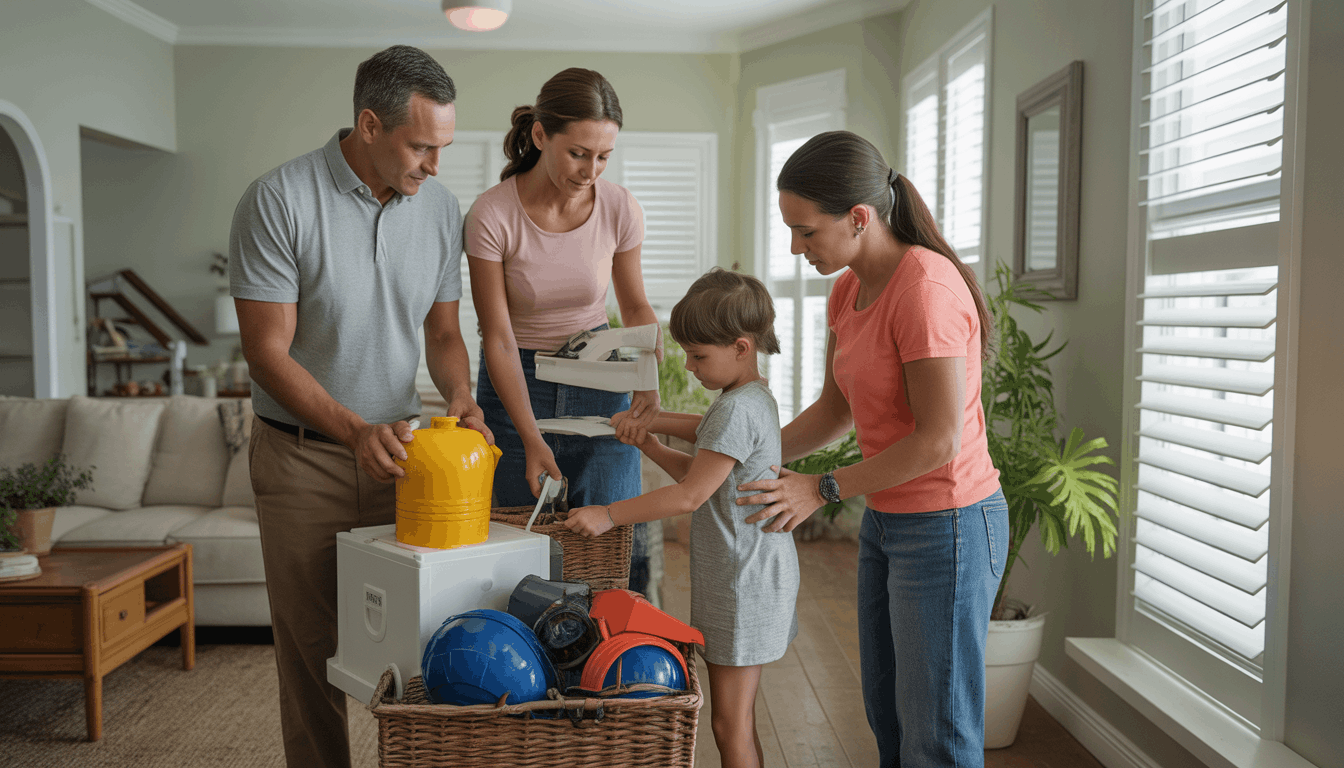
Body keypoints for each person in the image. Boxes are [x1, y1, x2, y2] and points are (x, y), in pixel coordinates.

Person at [229, 45, 490, 768]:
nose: (434, 165)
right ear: (369, 125)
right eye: (421, 146)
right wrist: (351, 430)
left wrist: (462, 396)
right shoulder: (278, 200)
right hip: (301, 459)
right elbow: (266, 352)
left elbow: (442, 332)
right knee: (310, 651)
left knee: (421, 639)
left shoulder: (437, 208)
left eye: (443, 147)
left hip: (405, 461)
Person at [735, 130, 1007, 767]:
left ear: (859, 218)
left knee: (935, 736)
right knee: (888, 717)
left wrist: (822, 488)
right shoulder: (849, 289)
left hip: (951, 526)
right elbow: (837, 410)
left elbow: (940, 440)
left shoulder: (925, 292)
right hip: (889, 520)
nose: (797, 248)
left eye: (807, 232)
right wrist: (752, 452)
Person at [564, 267, 795, 768]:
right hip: (744, 575)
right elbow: (704, 473)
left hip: (743, 583)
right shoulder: (748, 398)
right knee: (736, 721)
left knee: (729, 724)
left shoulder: (735, 410)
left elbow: (690, 496)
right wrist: (648, 437)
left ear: (740, 347)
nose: (689, 366)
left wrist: (608, 514)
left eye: (698, 355)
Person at [465, 67, 661, 592]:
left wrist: (648, 382)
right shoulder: (492, 214)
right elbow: (498, 337)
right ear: (539, 136)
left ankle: (617, 669)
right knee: (516, 554)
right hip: (515, 385)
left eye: (603, 156)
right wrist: (530, 437)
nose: (590, 170)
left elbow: (637, 306)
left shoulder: (619, 208)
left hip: (602, 380)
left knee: (613, 551)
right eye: (577, 153)